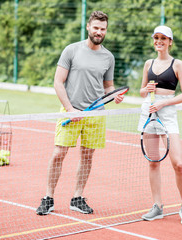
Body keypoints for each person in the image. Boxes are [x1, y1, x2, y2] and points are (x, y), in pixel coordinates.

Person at [36, 11, 124, 215]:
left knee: (87, 157)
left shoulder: (108, 57)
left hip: (96, 116)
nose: (99, 32)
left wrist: (115, 95)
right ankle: (48, 198)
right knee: (58, 154)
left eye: (103, 29)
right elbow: (58, 82)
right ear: (88, 27)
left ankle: (77, 197)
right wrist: (69, 109)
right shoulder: (71, 50)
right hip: (70, 112)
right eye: (96, 28)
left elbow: (108, 88)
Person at [137, 25, 182, 225]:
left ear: (170, 41)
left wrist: (164, 102)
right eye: (156, 37)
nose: (159, 41)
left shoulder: (178, 64)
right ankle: (157, 206)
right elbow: (142, 92)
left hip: (167, 114)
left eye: (163, 38)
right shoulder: (148, 63)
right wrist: (146, 88)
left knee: (178, 164)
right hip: (148, 113)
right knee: (153, 162)